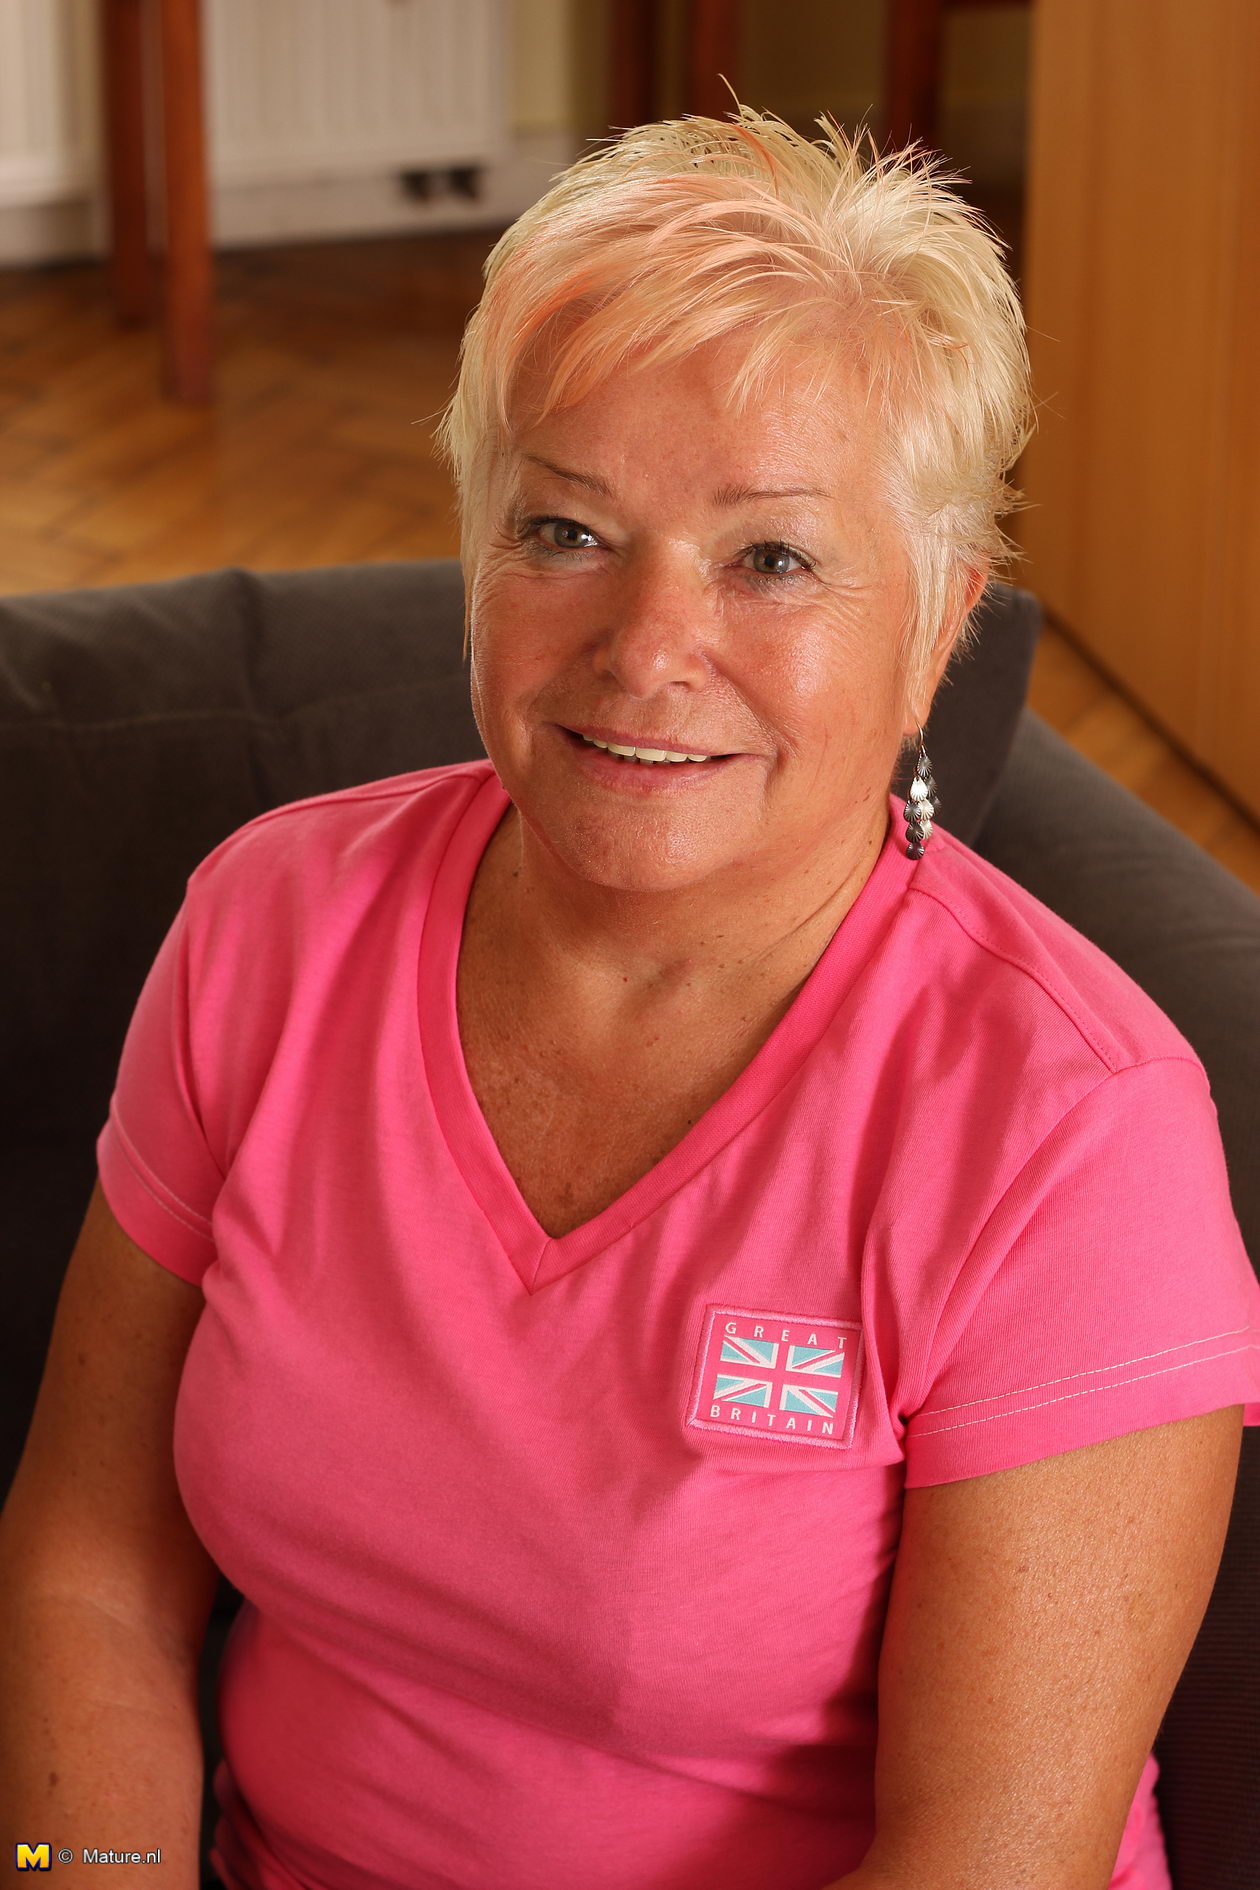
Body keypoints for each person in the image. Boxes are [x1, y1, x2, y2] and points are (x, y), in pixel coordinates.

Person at [2, 107, 1258, 1890]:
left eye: (772, 557)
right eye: (568, 529)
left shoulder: (1075, 1131)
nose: (648, 645)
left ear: (939, 624)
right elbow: (90, 1565)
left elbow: (990, 1860)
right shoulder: (268, 923)